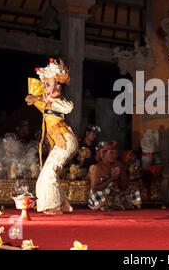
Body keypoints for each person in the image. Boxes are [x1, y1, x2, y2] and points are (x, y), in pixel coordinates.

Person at [25, 58, 78, 215]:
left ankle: (54, 206)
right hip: (61, 141)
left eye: (57, 84)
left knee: (49, 172)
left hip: (66, 140)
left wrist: (38, 98)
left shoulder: (59, 101)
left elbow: (69, 108)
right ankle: (65, 204)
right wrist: (35, 98)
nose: (54, 87)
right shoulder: (48, 103)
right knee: (46, 173)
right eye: (49, 84)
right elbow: (37, 100)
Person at [88, 141, 142, 211]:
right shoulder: (98, 167)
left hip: (112, 195)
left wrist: (118, 177)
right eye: (111, 153)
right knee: (98, 195)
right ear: (104, 154)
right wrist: (111, 178)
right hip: (99, 194)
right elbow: (94, 188)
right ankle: (115, 205)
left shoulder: (119, 165)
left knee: (135, 192)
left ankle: (114, 205)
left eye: (116, 153)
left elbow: (124, 187)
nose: (114, 156)